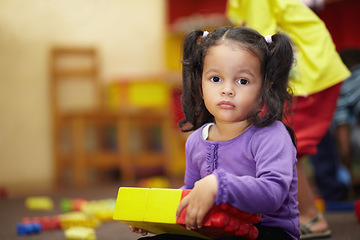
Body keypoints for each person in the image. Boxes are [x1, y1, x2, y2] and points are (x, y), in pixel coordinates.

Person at [131, 26, 300, 240]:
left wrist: (219, 185)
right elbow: (192, 191)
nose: (227, 90)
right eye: (215, 79)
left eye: (243, 81)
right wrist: (158, 216)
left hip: (266, 232)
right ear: (200, 84)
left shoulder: (271, 135)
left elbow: (272, 194)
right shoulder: (195, 140)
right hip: (216, 229)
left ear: (265, 88)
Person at [226, 0, 350, 239]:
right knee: (286, 143)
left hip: (307, 75)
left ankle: (310, 217)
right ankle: (302, 214)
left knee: (285, 143)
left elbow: (258, 41)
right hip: (310, 71)